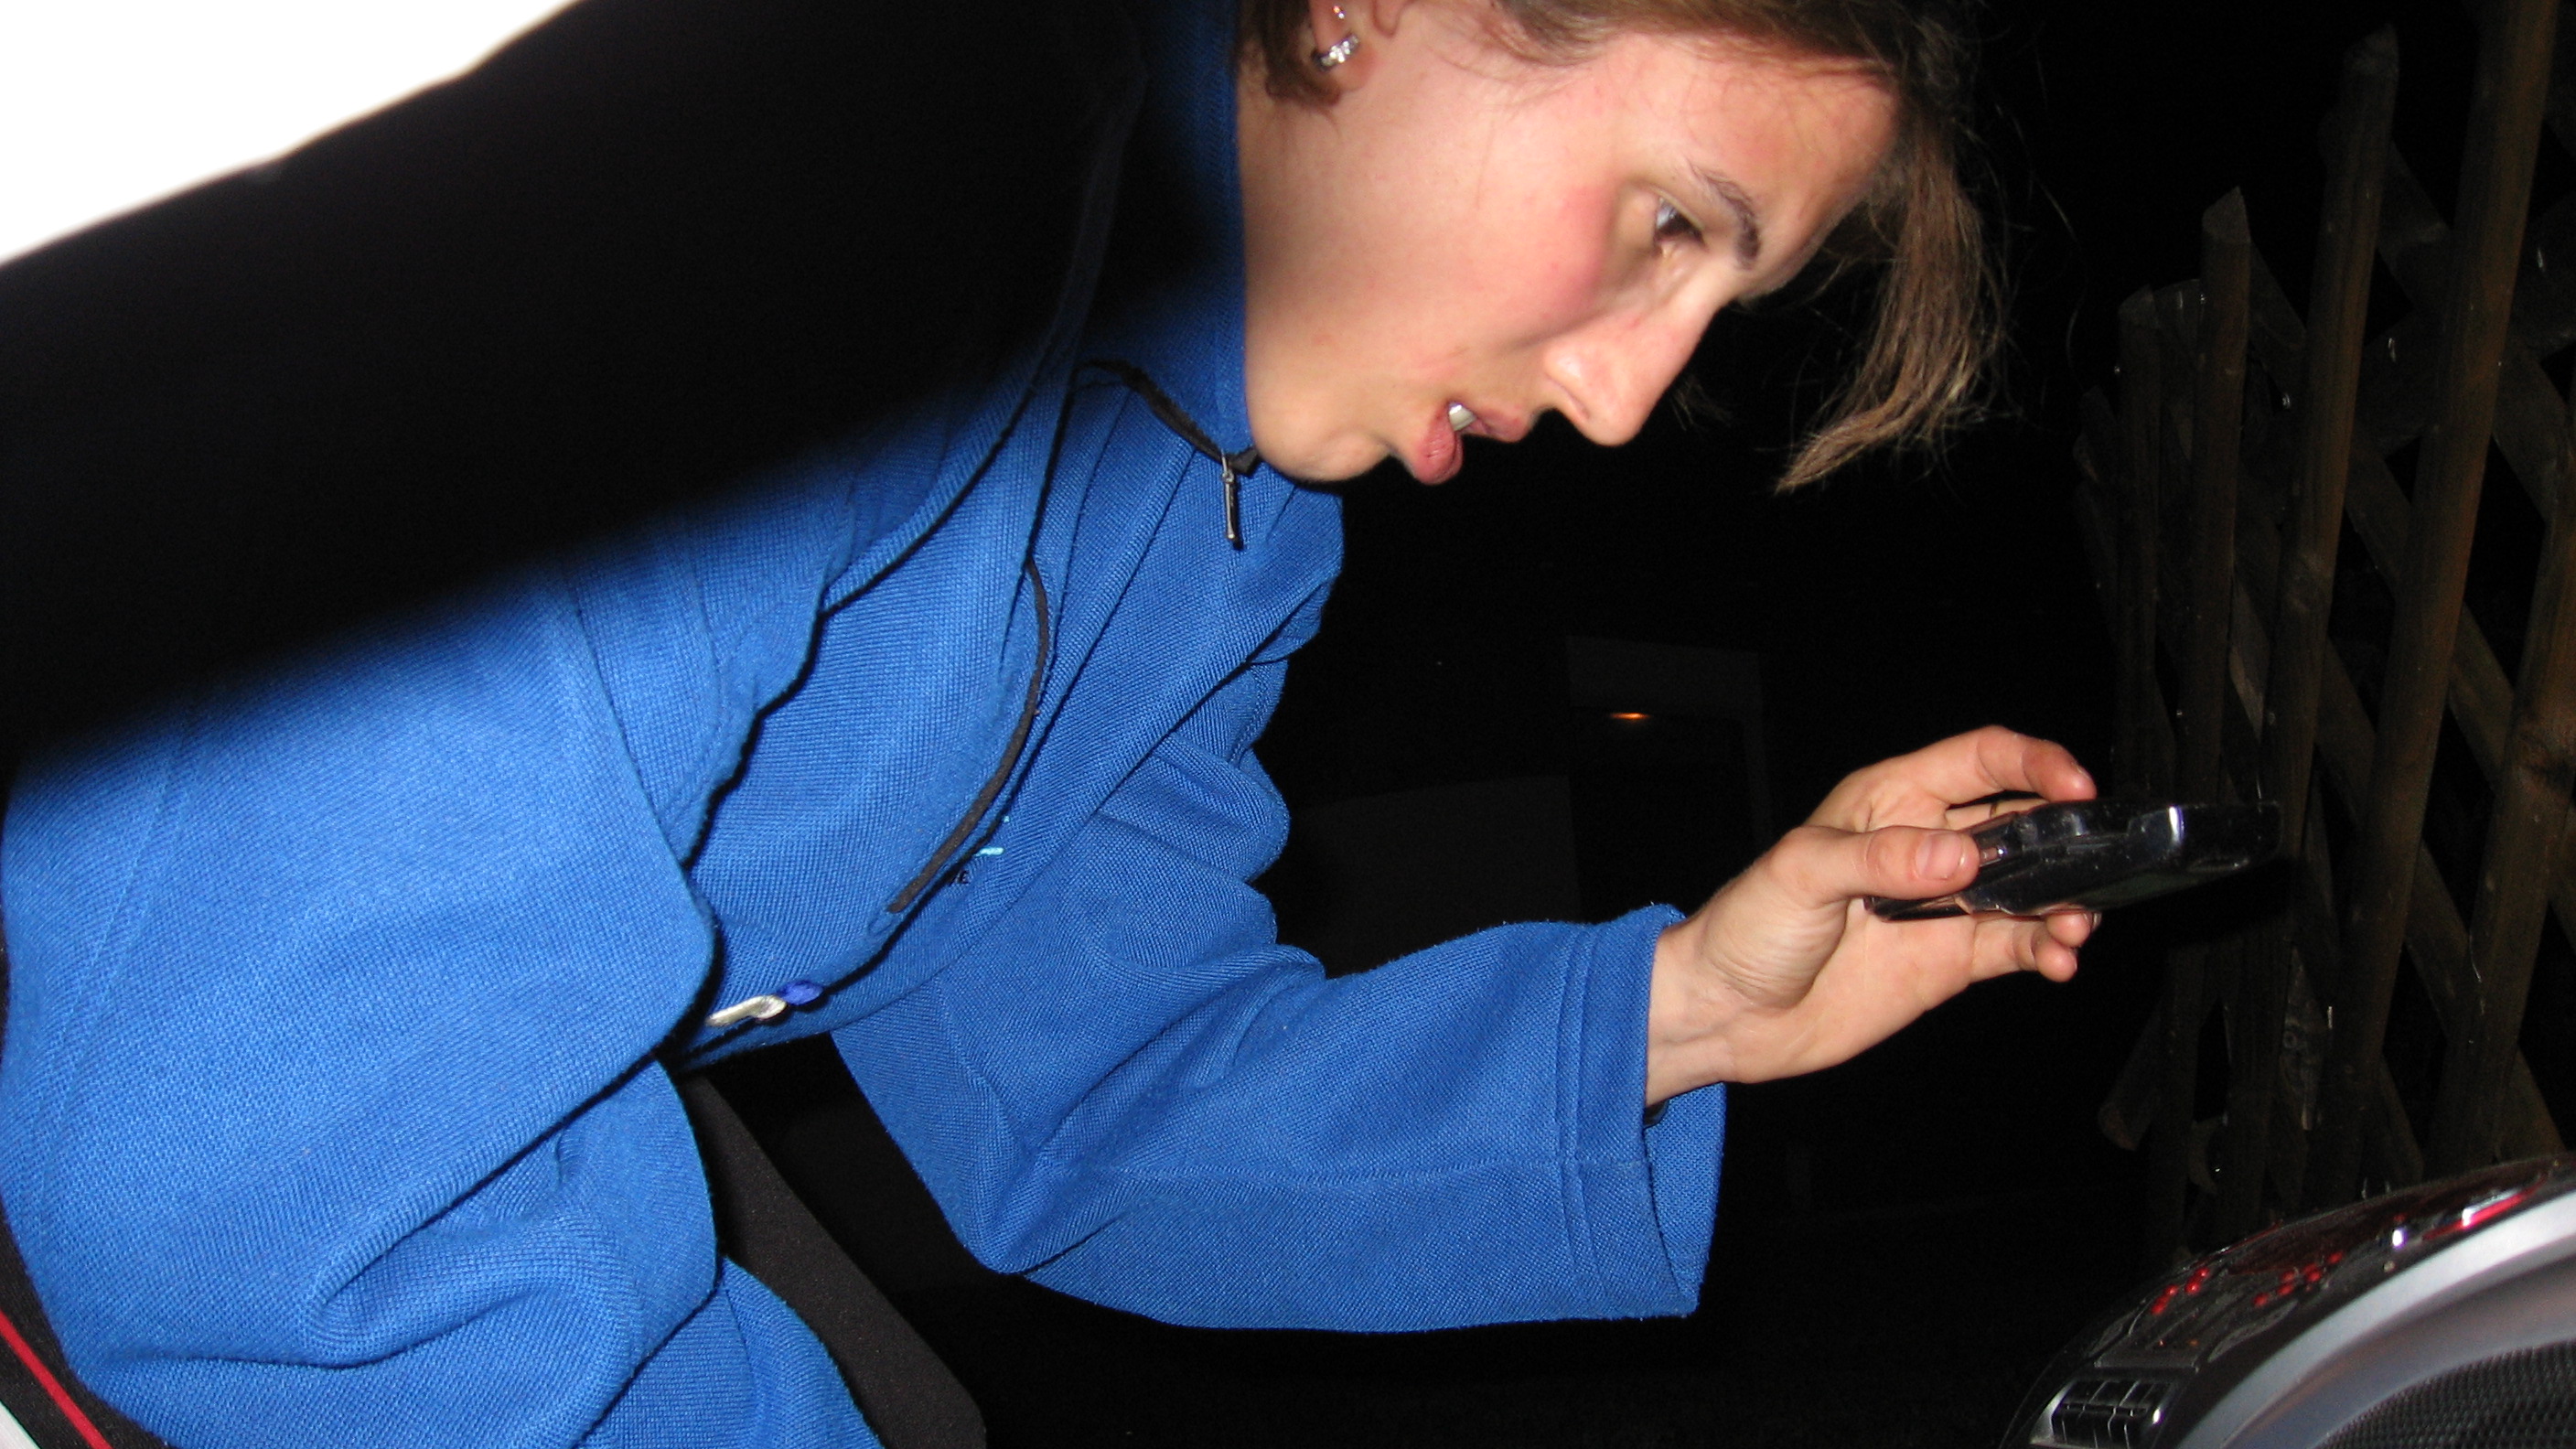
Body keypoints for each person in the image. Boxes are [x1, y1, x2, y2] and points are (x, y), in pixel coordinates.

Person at [0, 0, 2097, 1444]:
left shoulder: (1235, 521)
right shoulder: (853, 168)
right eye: (1663, 224)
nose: (1628, 398)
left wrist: (1690, 1010)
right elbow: (285, 1172)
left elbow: (1090, 1100)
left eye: (1714, 303)